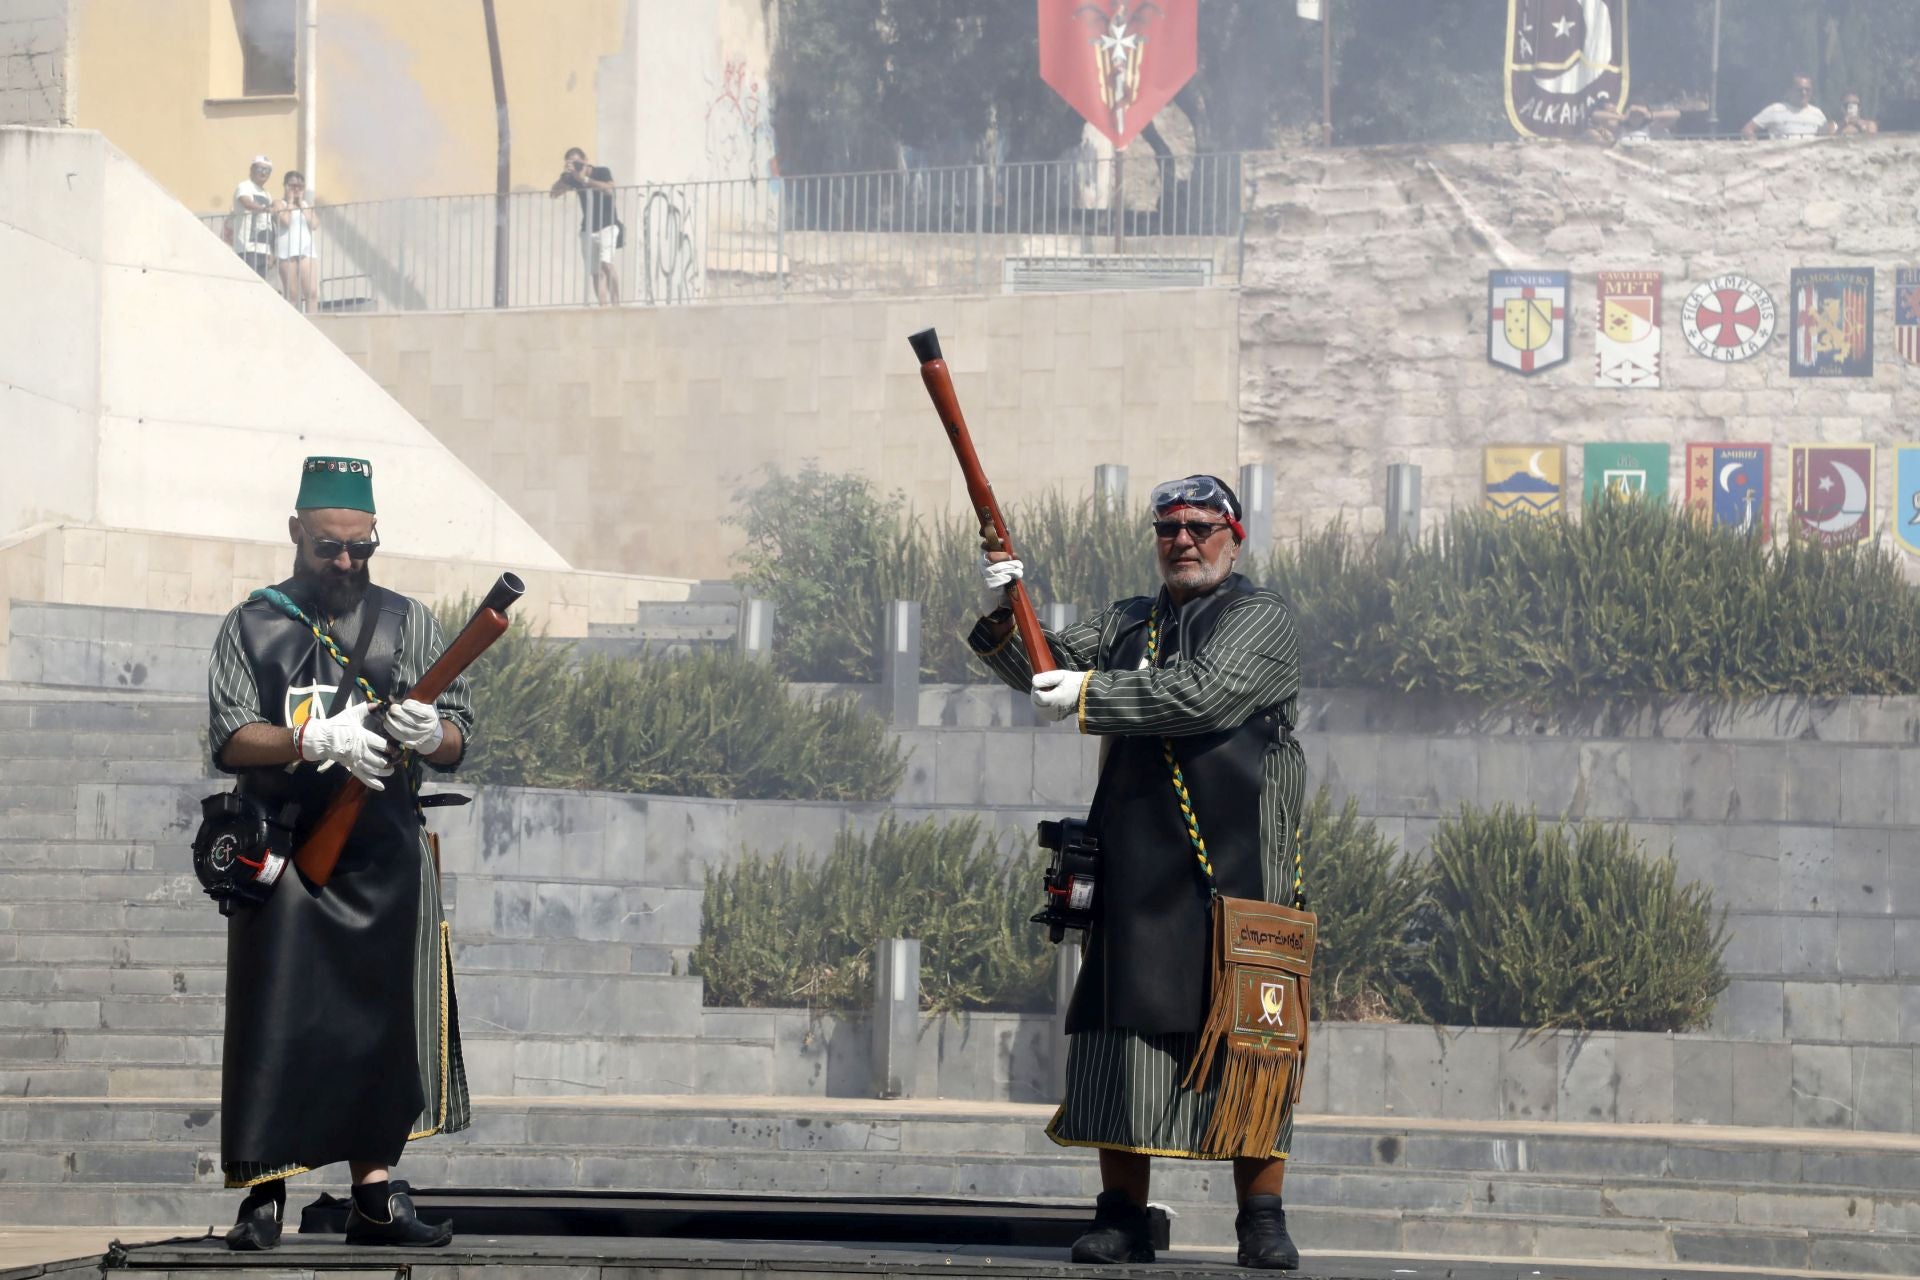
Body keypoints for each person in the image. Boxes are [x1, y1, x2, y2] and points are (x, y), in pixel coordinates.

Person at [969, 474, 1307, 1270]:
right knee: (1121, 1041)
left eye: (1198, 527)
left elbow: (1204, 695)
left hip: (1243, 873)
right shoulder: (1131, 620)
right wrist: (1006, 608)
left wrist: (1087, 690)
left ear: (1234, 535)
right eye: (1168, 530)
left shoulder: (1262, 620)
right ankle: (1120, 1214)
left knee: (1254, 1047)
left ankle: (1261, 1217)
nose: (1182, 542)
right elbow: (1042, 671)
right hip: (1139, 869)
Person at [208, 456, 472, 1250]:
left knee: (381, 1027)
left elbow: (457, 732)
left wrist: (437, 735)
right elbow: (228, 738)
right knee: (273, 1024)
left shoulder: (407, 621)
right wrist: (308, 738)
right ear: (296, 533)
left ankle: (374, 1200)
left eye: (362, 547)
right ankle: (263, 1199)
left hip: (382, 855)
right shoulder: (252, 625)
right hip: (284, 851)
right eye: (330, 547)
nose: (348, 563)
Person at [549, 146, 620, 305]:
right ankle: (603, 306)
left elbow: (610, 189)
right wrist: (565, 178)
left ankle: (616, 303)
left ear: (586, 160)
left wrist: (585, 180)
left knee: (607, 265)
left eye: (578, 162)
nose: (576, 166)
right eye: (571, 163)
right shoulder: (571, 177)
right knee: (596, 272)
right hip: (587, 229)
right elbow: (553, 194)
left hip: (608, 225)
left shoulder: (601, 171)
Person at [273, 170, 320, 313]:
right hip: (286, 252)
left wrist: (301, 204)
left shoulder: (305, 204)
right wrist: (291, 203)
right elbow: (285, 221)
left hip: (306, 251)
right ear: (285, 186)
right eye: (292, 185)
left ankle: (314, 325)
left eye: (300, 186)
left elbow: (314, 224)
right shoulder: (278, 203)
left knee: (312, 292)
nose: (296, 189)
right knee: (292, 295)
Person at [229, 155, 276, 278]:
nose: (264, 173)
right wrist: (263, 209)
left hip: (263, 250)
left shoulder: (267, 193)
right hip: (247, 248)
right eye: (260, 168)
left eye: (268, 170)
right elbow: (247, 202)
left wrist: (271, 251)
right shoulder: (244, 186)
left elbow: (269, 223)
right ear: (252, 169)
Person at [1742, 74, 1829, 139]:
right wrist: (1757, 148)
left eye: (1807, 90)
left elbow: (1826, 140)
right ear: (1790, 90)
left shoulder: (1818, 114)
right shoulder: (1775, 110)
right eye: (1799, 90)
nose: (1804, 93)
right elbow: (1747, 130)